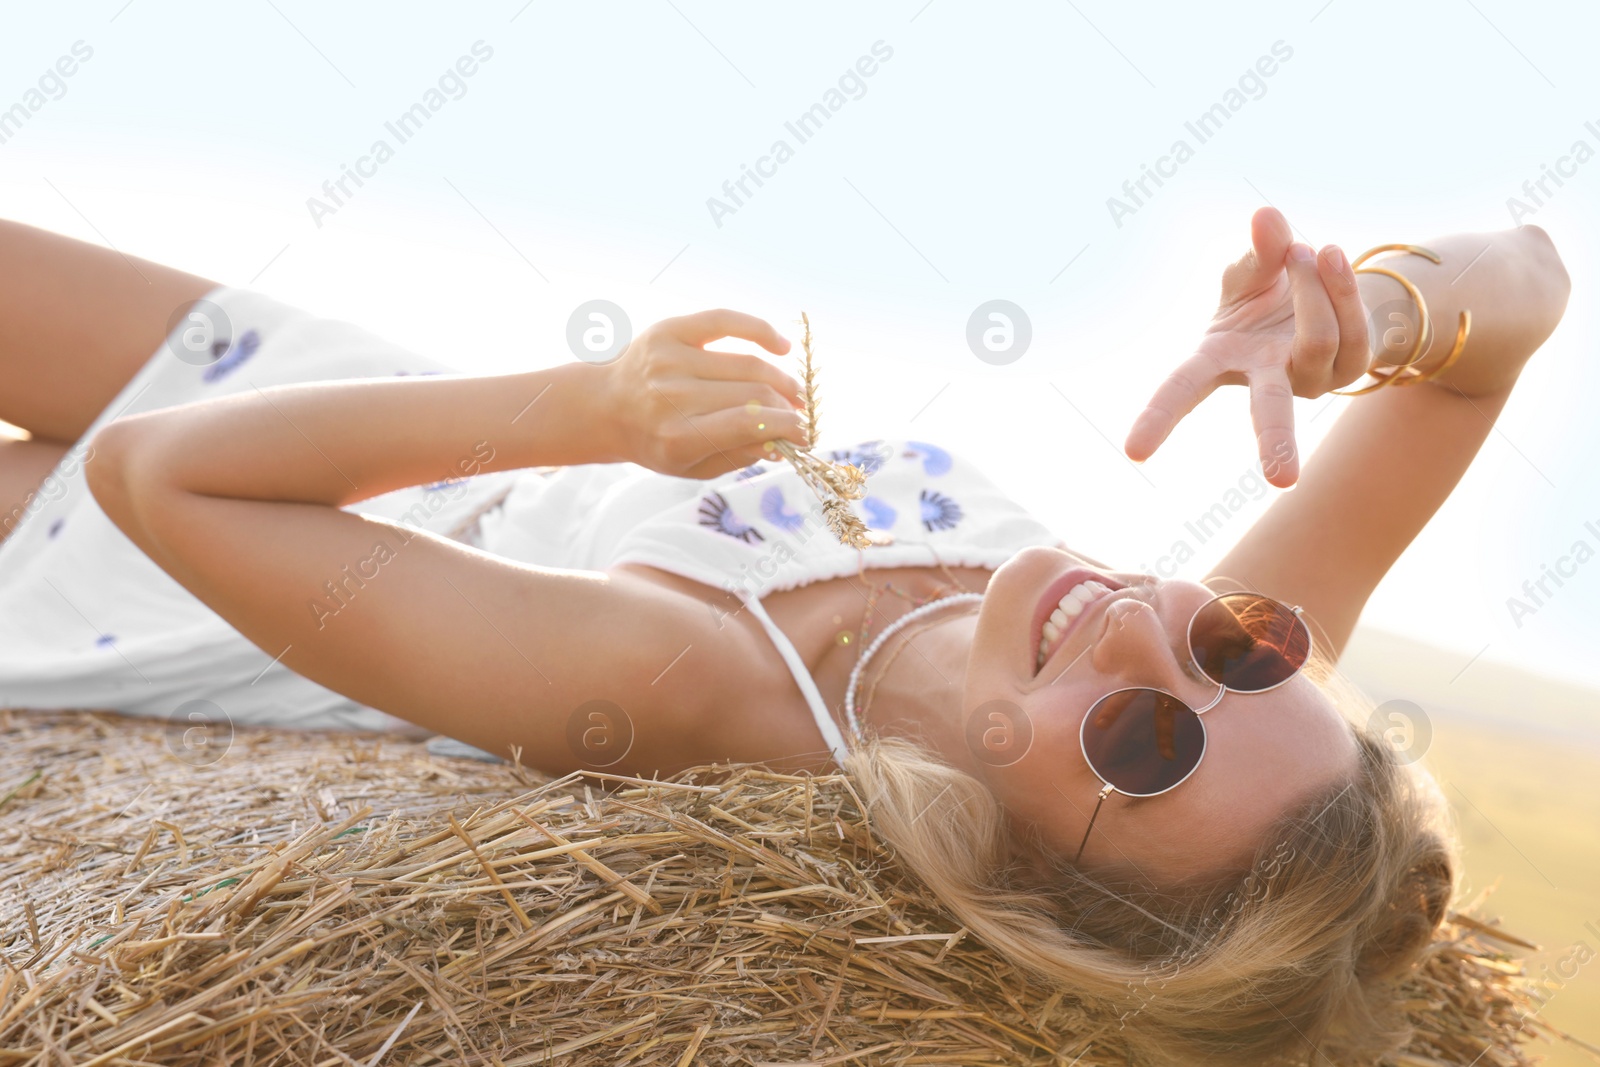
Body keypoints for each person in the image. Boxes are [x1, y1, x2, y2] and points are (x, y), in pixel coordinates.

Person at [0, 207, 1571, 1064]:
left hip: (157, 567)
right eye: (1242, 653)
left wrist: (584, 410)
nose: (1150, 645)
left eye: (1140, 746)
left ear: (1003, 865)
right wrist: (1375, 315)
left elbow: (158, 483)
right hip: (333, 407)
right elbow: (1528, 295)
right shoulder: (1189, 655)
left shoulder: (687, 688)